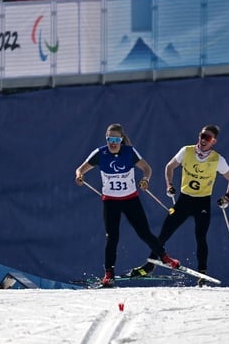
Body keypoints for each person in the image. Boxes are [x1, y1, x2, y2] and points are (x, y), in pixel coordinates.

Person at [76, 123, 179, 287]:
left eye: (116, 139)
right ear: (106, 139)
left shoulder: (129, 152)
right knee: (112, 238)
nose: (113, 143)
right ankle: (109, 274)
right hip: (110, 202)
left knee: (144, 233)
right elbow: (80, 169)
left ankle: (165, 258)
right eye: (110, 139)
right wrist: (80, 176)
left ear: (121, 139)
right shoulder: (100, 153)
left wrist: (145, 179)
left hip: (130, 200)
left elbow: (147, 168)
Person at [130, 125, 229, 279]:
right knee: (164, 234)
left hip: (202, 202)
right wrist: (169, 185)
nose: (203, 140)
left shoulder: (217, 160)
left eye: (207, 138)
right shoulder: (186, 151)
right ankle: (149, 266)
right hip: (184, 200)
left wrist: (227, 197)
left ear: (213, 141)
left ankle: (202, 273)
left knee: (201, 237)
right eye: (202, 136)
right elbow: (169, 167)